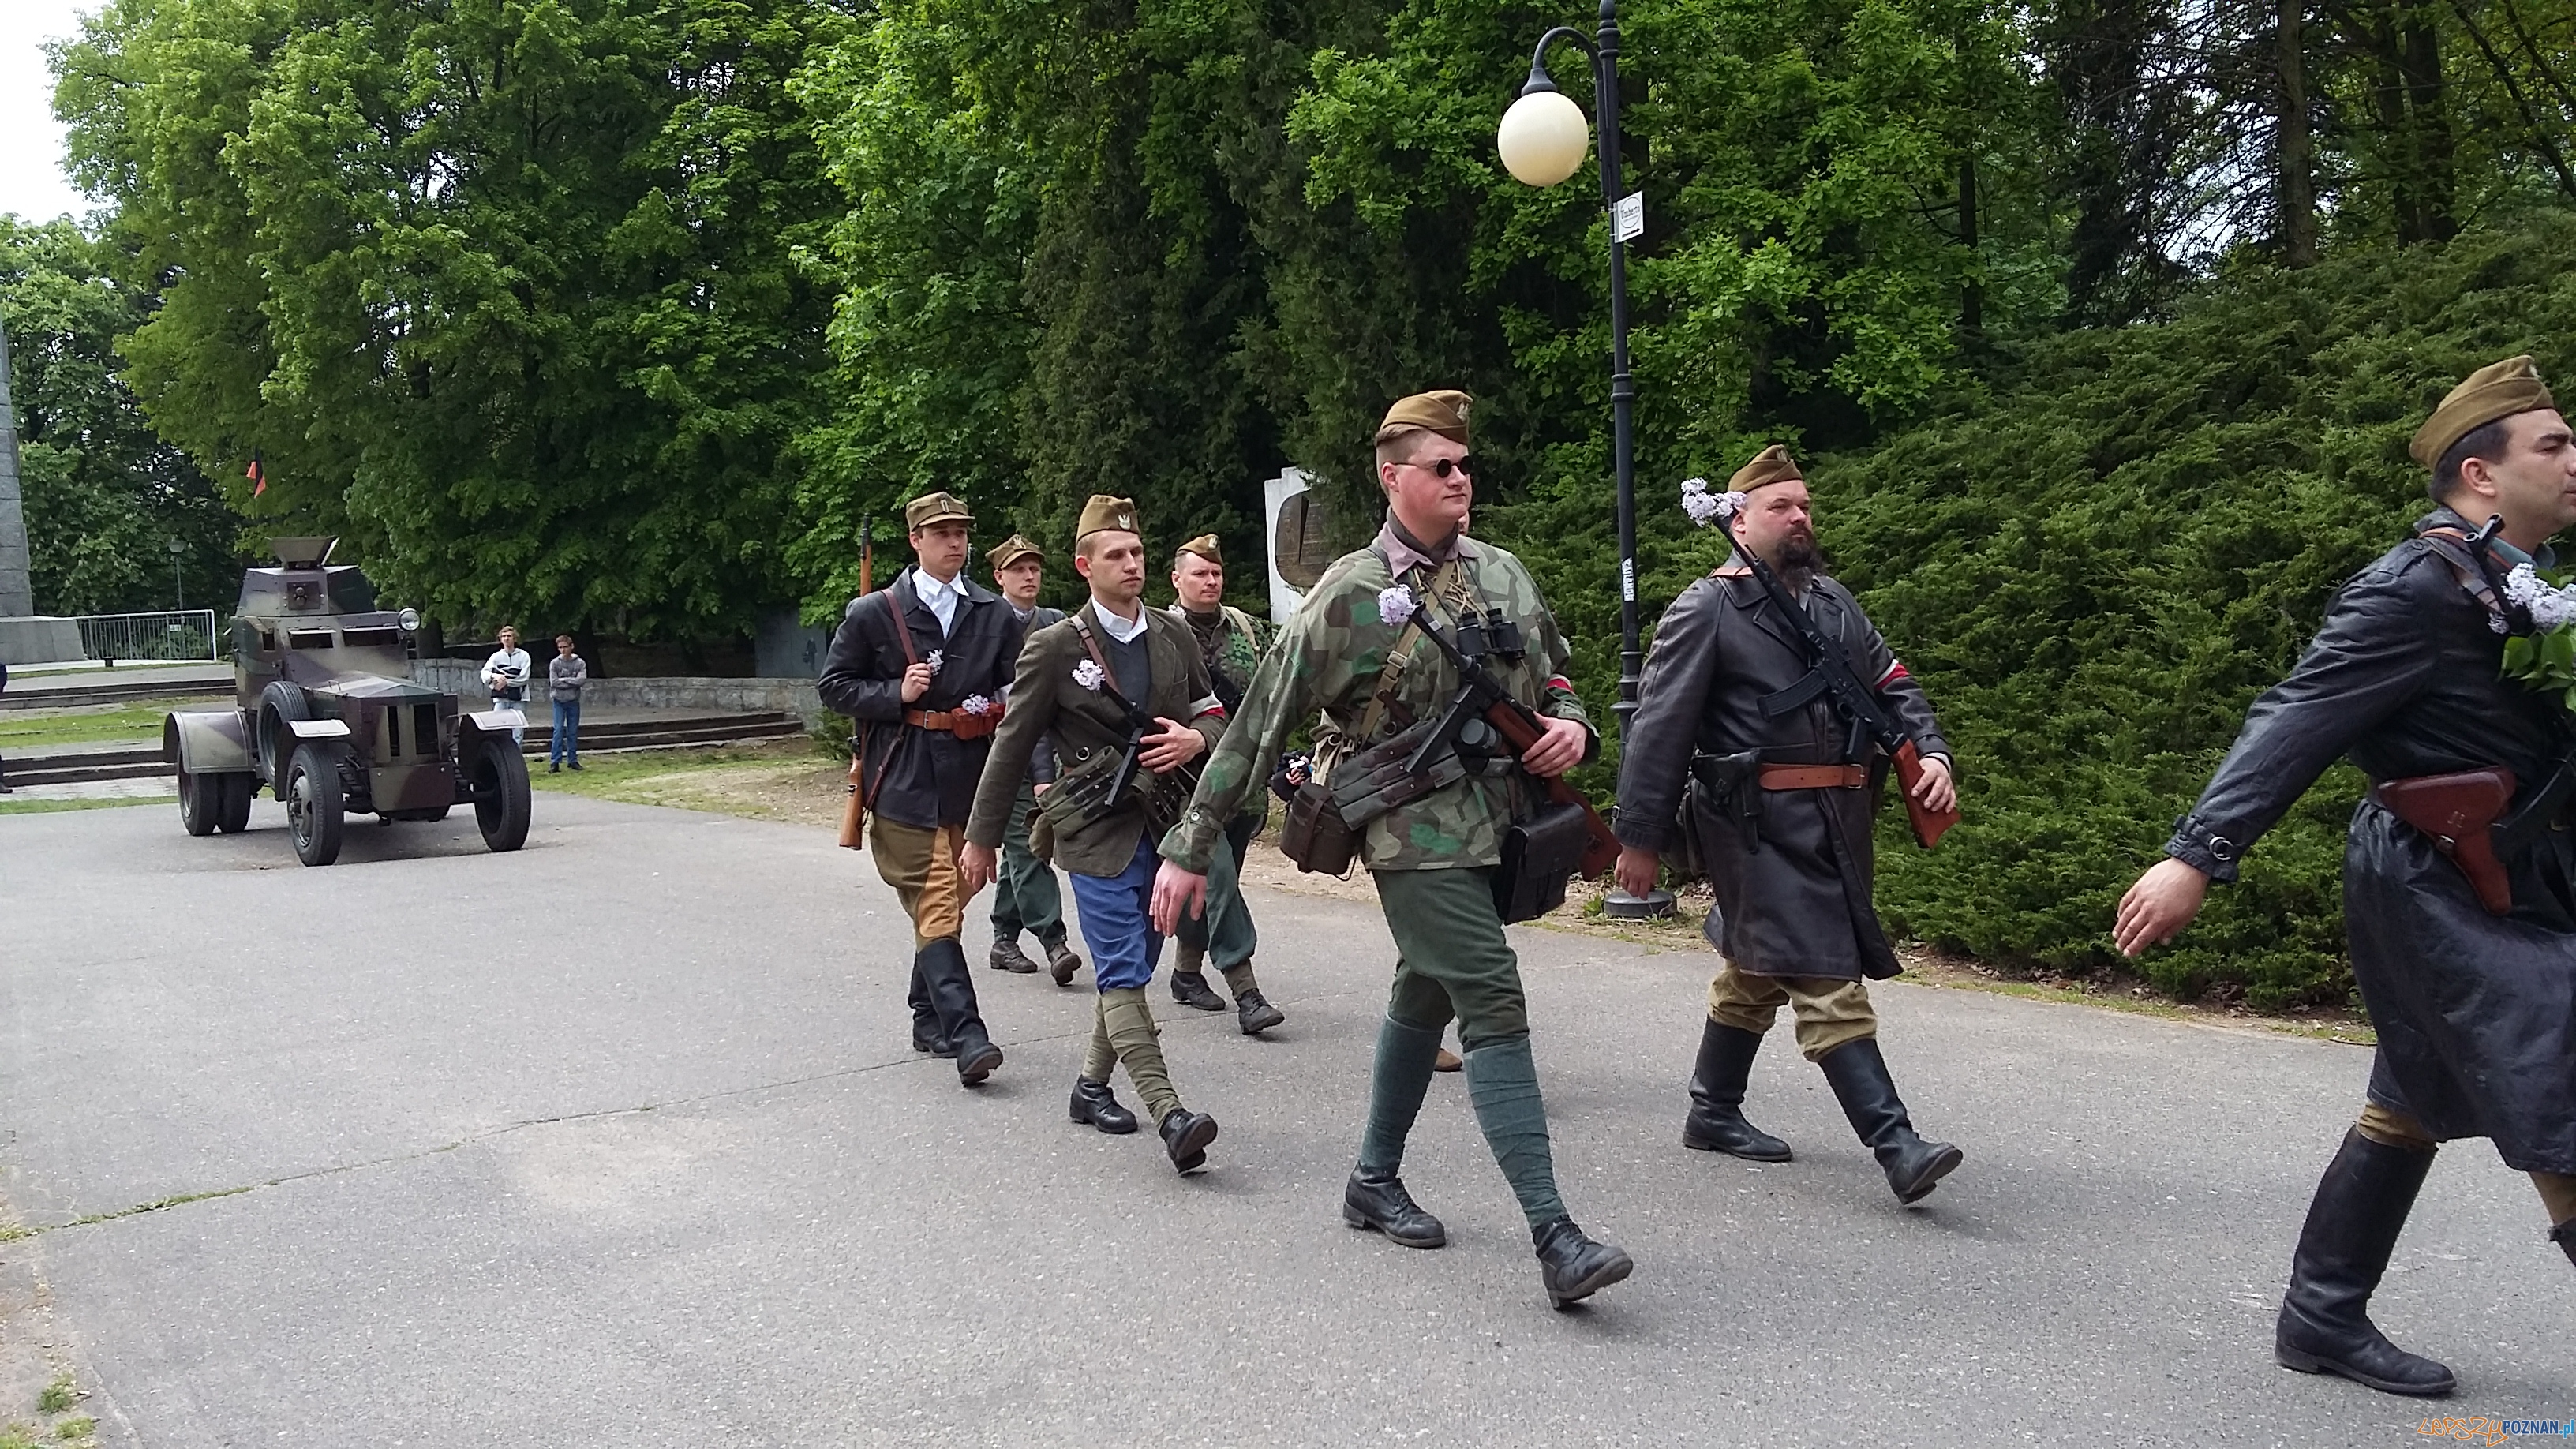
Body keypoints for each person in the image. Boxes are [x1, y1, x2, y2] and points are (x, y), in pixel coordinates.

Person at [2114, 355, 2576, 1398]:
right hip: (2434, 879)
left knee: (2412, 1096)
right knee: (2557, 1064)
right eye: (2553, 444)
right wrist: (2198, 854)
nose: (2574, 458)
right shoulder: (2412, 588)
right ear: (2483, 474)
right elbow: (2296, 716)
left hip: (2519, 871)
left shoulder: (2515, 583)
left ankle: (2320, 1313)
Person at [1151, 390, 1632, 1308]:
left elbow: (1558, 674)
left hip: (1502, 827)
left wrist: (1574, 728)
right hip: (1411, 835)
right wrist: (1189, 842)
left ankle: (1372, 1182)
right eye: (1441, 467)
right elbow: (1256, 726)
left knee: (1424, 992)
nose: (1462, 480)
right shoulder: (1348, 596)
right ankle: (1555, 1235)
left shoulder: (1502, 574)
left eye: (1466, 466)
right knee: (1490, 994)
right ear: (1392, 476)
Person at [1610, 446, 1964, 1207]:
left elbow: (1894, 684)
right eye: (1781, 506)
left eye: (1805, 504)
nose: (1800, 516)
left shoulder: (1835, 602)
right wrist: (1638, 839)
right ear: (1738, 519)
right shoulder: (1706, 607)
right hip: (1753, 826)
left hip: (1838, 818)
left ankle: (1712, 1110)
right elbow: (1658, 730)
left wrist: (1928, 753)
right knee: (1825, 978)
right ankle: (1896, 1144)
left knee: (1760, 967)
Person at [962, 496, 1227, 1174]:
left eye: (1137, 553)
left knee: (1132, 966)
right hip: (1091, 832)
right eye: (1116, 555)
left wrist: (1198, 738)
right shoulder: (1053, 648)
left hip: (1166, 827)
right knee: (1120, 969)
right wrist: (981, 837)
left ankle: (1089, 1088)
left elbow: (1217, 715)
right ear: (1085, 567)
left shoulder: (1173, 634)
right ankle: (1171, 1115)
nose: (1132, 563)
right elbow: (1011, 746)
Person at [818, 492, 1025, 1088]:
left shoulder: (992, 614)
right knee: (938, 897)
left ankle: (924, 1015)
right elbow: (834, 687)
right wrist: (893, 694)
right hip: (903, 777)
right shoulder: (874, 612)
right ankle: (967, 1034)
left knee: (953, 899)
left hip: (970, 778)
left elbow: (1017, 693)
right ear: (916, 540)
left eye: (961, 532)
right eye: (941, 533)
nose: (954, 542)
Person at [1163, 534, 1285, 1034]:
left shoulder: (1250, 629)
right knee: (1219, 876)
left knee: (1210, 878)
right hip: (1186, 784)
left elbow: (1277, 694)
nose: (1210, 581)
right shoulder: (1157, 633)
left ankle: (1186, 973)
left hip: (1245, 782)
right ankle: (1246, 988)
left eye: (1215, 573)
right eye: (1199, 573)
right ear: (1177, 579)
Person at [984, 533, 1084, 983]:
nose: (1029, 576)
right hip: (1006, 758)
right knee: (1030, 845)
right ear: (998, 576)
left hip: (1055, 755)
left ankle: (1004, 937)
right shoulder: (985, 626)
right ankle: (1054, 941)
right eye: (1019, 569)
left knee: (1020, 849)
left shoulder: (1054, 622)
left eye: (1035, 568)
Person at [481, 626, 532, 744]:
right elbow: (484, 674)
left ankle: (516, 759)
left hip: (519, 698)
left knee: (517, 731)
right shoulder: (496, 656)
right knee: (498, 729)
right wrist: (495, 677)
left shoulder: (524, 656)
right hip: (501, 699)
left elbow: (524, 678)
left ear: (515, 638)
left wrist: (506, 682)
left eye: (509, 636)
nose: (506, 639)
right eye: (503, 636)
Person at [546, 635, 589, 773]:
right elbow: (554, 682)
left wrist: (564, 680)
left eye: (565, 647)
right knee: (558, 730)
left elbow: (581, 680)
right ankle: (555, 762)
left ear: (572, 647)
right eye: (560, 648)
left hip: (573, 701)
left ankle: (573, 760)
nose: (563, 650)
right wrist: (571, 681)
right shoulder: (555, 663)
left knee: (572, 731)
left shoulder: (580, 663)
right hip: (558, 700)